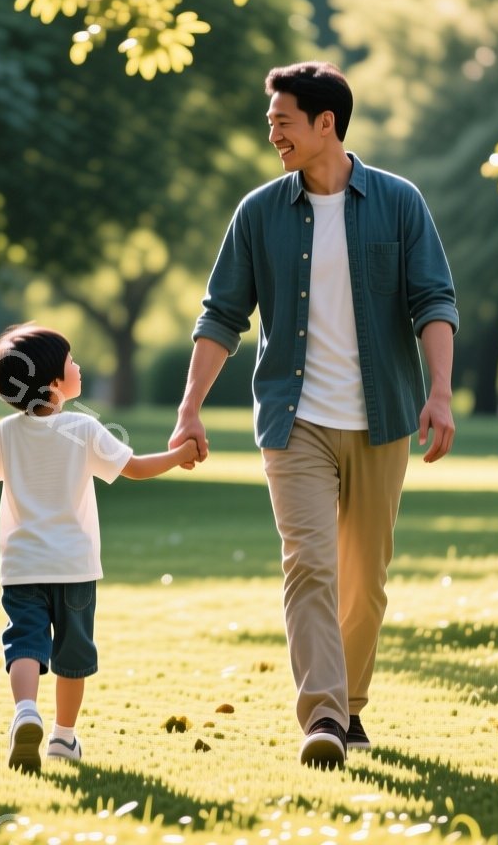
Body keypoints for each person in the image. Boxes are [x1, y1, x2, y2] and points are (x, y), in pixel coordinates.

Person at [169, 62, 458, 768]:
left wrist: (441, 392)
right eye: (271, 122)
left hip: (382, 419)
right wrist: (190, 407)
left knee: (365, 582)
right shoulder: (259, 212)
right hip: (293, 422)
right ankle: (323, 717)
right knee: (310, 566)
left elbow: (433, 300)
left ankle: (350, 706)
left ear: (326, 123)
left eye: (283, 121)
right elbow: (222, 315)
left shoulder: (398, 202)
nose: (273, 134)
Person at [0, 325, 197, 771]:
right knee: (72, 657)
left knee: (24, 644)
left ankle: (25, 712)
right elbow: (134, 468)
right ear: (55, 382)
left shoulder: (6, 432)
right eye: (71, 361)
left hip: (22, 567)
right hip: (74, 567)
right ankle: (63, 737)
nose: (78, 366)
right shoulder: (84, 428)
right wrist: (178, 455)